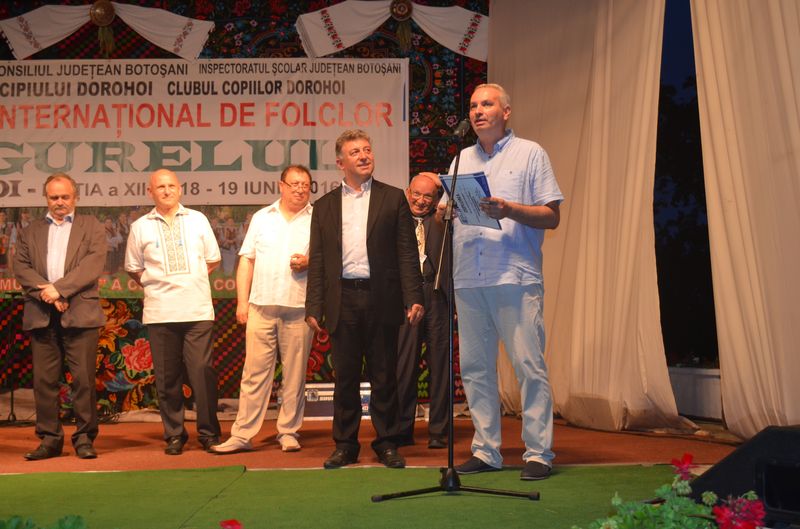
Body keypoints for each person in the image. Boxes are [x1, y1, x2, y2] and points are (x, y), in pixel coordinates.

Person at [449, 83, 563, 481]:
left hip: (514, 275)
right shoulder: (461, 158)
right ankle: (486, 450)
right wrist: (445, 210)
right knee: (476, 368)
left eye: (487, 104)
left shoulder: (530, 153)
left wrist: (509, 209)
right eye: (473, 105)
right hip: (468, 276)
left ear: (506, 112)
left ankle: (538, 452)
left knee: (528, 366)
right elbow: (449, 210)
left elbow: (552, 216)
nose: (478, 111)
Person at [305, 129, 425, 469]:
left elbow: (406, 252)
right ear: (340, 162)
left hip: (381, 297)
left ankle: (387, 442)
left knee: (384, 376)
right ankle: (345, 445)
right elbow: (318, 260)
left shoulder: (393, 198)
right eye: (355, 152)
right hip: (342, 299)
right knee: (345, 378)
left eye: (367, 149)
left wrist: (413, 296)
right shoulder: (325, 206)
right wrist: (313, 305)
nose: (364, 155)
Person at [212, 165, 314, 455]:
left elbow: (327, 261)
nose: (300, 189)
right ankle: (242, 434)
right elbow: (247, 260)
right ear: (281, 185)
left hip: (299, 307)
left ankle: (288, 431)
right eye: (294, 184)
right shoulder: (261, 217)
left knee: (294, 375)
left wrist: (309, 262)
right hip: (261, 307)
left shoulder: (317, 218)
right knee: (254, 373)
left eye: (305, 184)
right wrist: (242, 302)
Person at [124, 168, 222, 455]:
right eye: (160, 187)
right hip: (160, 312)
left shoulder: (198, 219)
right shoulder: (140, 226)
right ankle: (175, 435)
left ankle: (209, 433)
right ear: (150, 192)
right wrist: (159, 285)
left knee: (202, 374)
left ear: (180, 189)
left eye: (171, 186)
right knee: (167, 378)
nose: (166, 191)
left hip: (197, 311)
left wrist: (189, 281)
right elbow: (133, 267)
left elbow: (213, 260)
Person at [13, 173, 107, 460]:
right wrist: (50, 294)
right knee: (44, 382)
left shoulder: (91, 226)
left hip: (80, 312)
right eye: (54, 197)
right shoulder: (30, 231)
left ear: (75, 197)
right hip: (42, 313)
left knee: (83, 380)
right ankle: (50, 440)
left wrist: (61, 289)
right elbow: (21, 266)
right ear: (46, 199)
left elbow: (93, 264)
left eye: (65, 196)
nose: (59, 202)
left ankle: (84, 439)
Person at [396, 173, 452, 449]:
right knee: (404, 365)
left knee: (441, 365)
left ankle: (439, 431)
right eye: (416, 194)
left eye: (428, 196)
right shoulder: (396, 220)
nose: (420, 200)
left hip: (437, 295)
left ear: (436, 198)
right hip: (405, 297)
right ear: (407, 192)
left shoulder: (444, 220)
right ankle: (402, 429)